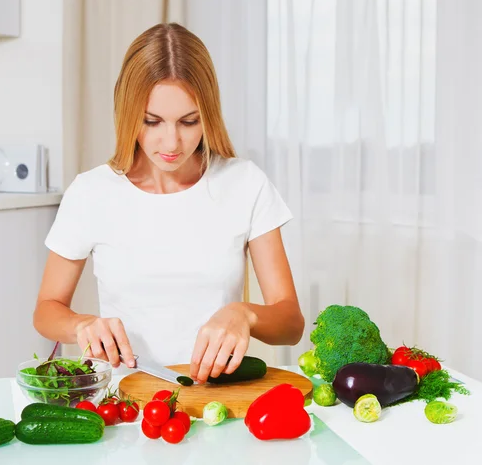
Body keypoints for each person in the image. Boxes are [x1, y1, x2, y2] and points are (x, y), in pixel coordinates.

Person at [33, 23, 304, 384]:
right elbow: (46, 310)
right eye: (152, 121)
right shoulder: (91, 192)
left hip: (215, 398)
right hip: (125, 399)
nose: (172, 142)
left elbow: (290, 324)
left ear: (208, 114)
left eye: (189, 122)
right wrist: (82, 325)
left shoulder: (245, 184)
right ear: (128, 113)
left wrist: (245, 315)